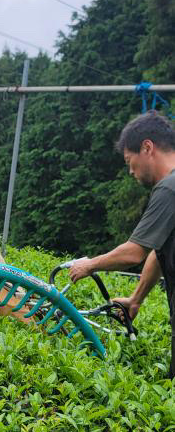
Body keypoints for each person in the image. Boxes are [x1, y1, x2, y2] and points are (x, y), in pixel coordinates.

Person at [69, 110, 175, 378]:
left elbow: (134, 252)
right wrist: (135, 300)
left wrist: (89, 265)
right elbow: (156, 250)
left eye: (130, 161)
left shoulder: (168, 188)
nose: (130, 171)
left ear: (147, 147)